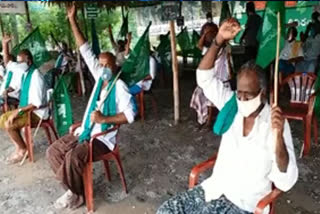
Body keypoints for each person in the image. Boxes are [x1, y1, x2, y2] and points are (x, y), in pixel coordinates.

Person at [157, 18, 298, 214]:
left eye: (248, 94)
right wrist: (218, 40)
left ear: (263, 93)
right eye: (239, 92)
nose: (242, 98)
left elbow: (285, 178)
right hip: (216, 189)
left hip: (244, 203)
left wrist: (279, 138)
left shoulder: (274, 123)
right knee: (166, 210)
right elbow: (204, 78)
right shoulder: (232, 106)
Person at [46, 4, 137, 210]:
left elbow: (131, 115)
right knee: (53, 151)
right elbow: (85, 49)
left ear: (115, 67)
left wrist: (104, 120)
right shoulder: (98, 78)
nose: (103, 68)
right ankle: (75, 190)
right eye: (101, 64)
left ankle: (75, 194)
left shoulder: (120, 87)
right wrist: (72, 21)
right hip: (85, 131)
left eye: (108, 65)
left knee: (72, 157)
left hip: (102, 138)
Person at [0, 34, 49, 164]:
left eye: (21, 61)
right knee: (3, 118)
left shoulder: (36, 76)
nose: (19, 64)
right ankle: (19, 146)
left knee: (9, 123)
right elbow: (9, 64)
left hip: (37, 113)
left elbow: (36, 103)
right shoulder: (25, 73)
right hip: (27, 109)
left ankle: (23, 150)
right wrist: (5, 45)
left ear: (29, 60)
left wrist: (18, 112)